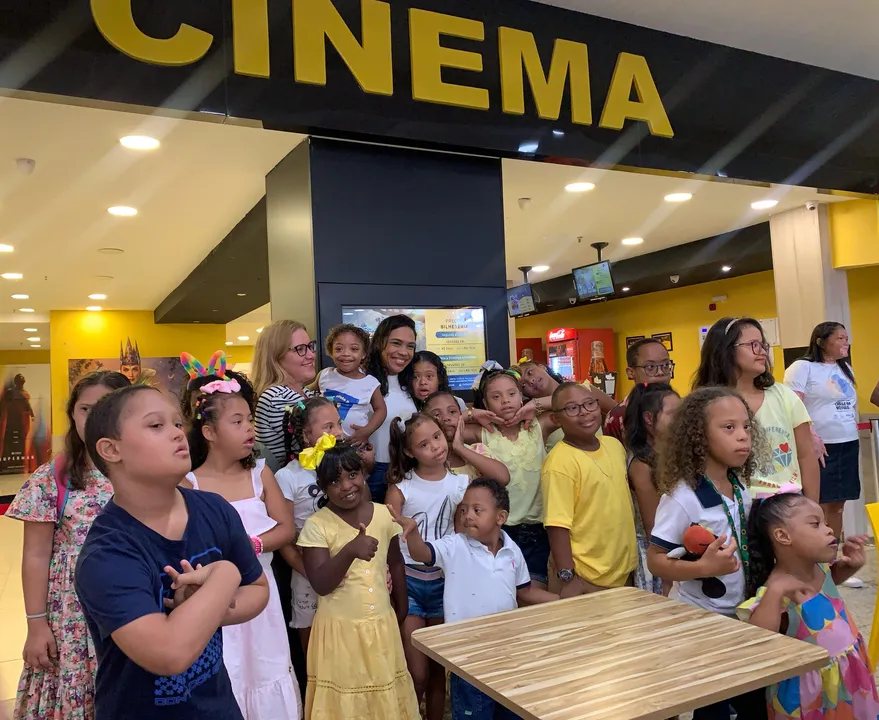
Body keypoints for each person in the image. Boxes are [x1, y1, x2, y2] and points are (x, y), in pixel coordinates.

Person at [75, 385, 270, 719]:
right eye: (156, 426)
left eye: (178, 424)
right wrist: (224, 575)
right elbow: (169, 654)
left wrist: (206, 608)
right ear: (110, 449)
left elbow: (258, 590)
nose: (178, 434)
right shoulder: (107, 553)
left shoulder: (214, 509)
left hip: (219, 707)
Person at [4, 370, 130, 720]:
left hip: (135, 602)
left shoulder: (147, 469)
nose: (93, 419)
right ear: (73, 414)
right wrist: (36, 624)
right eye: (85, 409)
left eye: (105, 408)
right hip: (72, 615)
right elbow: (35, 554)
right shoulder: (53, 477)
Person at [182, 370, 301, 719]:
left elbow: (286, 528)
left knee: (266, 662)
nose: (250, 428)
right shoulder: (190, 483)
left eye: (250, 419)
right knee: (229, 666)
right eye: (238, 421)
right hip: (216, 601)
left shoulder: (259, 473)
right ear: (209, 432)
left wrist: (253, 545)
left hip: (261, 591)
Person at [389, 479, 557, 720]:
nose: (468, 516)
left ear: (501, 517)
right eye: (465, 509)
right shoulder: (455, 546)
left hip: (507, 658)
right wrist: (413, 533)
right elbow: (422, 553)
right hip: (468, 661)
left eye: (477, 510)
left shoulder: (512, 550)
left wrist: (559, 600)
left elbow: (525, 591)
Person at [648, 386, 768, 720]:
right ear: (699, 436)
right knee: (713, 706)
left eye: (746, 426)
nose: (742, 437)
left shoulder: (740, 485)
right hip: (702, 619)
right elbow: (656, 560)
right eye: (729, 428)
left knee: (753, 701)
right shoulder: (683, 496)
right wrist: (704, 566)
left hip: (741, 614)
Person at [296, 436, 420, 720]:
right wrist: (350, 550)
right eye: (335, 481)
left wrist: (400, 608)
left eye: (352, 475)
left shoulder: (383, 515)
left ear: (364, 473)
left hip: (381, 627)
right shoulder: (317, 526)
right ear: (323, 486)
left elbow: (396, 563)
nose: (346, 486)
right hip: (339, 635)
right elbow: (321, 583)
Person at [738, 492, 876, 718]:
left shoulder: (819, 568)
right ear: (783, 536)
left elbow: (825, 592)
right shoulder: (777, 590)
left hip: (849, 678)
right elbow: (757, 640)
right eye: (815, 524)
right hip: (811, 697)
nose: (829, 529)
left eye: (826, 523)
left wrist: (850, 567)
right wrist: (775, 592)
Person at [386, 413, 469, 720]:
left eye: (437, 436)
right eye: (424, 444)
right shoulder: (401, 488)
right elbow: (388, 537)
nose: (436, 446)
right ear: (409, 452)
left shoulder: (462, 483)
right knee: (416, 672)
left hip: (445, 582)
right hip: (409, 582)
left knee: (438, 671)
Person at [694, 317, 819, 502]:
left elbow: (807, 456)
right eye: (753, 345)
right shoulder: (708, 403)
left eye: (763, 345)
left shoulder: (783, 395)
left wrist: (812, 507)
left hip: (789, 503)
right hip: (737, 504)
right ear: (725, 350)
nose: (762, 352)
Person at [464, 369, 558, 588]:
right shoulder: (482, 432)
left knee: (534, 595)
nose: (505, 401)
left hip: (537, 530)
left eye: (512, 394)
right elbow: (439, 425)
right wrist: (471, 414)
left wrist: (534, 406)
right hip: (499, 530)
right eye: (496, 397)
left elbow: (577, 398)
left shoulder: (538, 426)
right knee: (502, 594)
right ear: (486, 404)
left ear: (521, 397)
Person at [542, 382, 638, 596]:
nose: (584, 412)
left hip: (622, 572)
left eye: (589, 404)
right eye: (572, 408)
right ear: (557, 419)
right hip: (584, 577)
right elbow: (557, 526)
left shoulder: (614, 446)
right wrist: (568, 578)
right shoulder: (560, 462)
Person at [275, 397, 345, 652]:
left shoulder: (345, 467)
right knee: (314, 646)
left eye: (338, 424)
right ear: (306, 434)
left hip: (347, 570)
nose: (338, 432)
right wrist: (309, 571)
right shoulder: (287, 477)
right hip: (306, 571)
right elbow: (284, 537)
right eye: (328, 427)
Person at [783, 322, 859, 541]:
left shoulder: (845, 368)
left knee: (838, 505)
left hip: (847, 442)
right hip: (819, 447)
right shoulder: (802, 367)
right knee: (819, 505)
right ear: (822, 342)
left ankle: (833, 557)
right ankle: (818, 560)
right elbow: (793, 406)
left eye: (847, 338)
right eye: (840, 338)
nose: (846, 343)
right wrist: (811, 436)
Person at [623, 382, 681, 594]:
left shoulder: (674, 454)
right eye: (674, 414)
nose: (681, 420)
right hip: (658, 550)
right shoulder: (641, 465)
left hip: (679, 544)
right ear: (649, 419)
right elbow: (652, 525)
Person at [365, 315, 419, 503]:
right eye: (396, 343)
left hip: (408, 471)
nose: (404, 352)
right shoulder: (361, 379)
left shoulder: (412, 381)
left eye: (410, 346)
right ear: (380, 343)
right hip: (371, 474)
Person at [253, 320, 317, 471]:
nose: (311, 355)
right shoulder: (277, 397)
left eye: (310, 347)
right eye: (300, 349)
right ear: (276, 357)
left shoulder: (305, 392)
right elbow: (321, 447)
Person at [515, 361, 616, 450]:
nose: (531, 381)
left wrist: (535, 403)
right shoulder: (534, 416)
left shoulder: (585, 390)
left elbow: (619, 413)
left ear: (542, 367)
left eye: (530, 373)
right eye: (524, 385)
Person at [318, 323, 387, 445]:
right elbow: (304, 392)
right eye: (339, 349)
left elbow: (381, 409)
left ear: (364, 354)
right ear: (330, 351)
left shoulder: (370, 383)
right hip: (326, 445)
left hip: (356, 445)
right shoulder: (324, 375)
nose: (346, 354)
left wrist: (367, 431)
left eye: (354, 349)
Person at [423, 390, 511, 484]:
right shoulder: (426, 459)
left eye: (452, 411)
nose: (446, 418)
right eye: (437, 415)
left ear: (461, 417)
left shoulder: (477, 450)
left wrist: (460, 448)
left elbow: (503, 478)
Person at [604, 338, 674, 444]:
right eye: (650, 367)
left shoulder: (682, 408)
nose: (660, 372)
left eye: (665, 365)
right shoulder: (616, 417)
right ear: (631, 372)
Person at [400, 350, 466, 411]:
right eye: (415, 377)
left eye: (429, 376)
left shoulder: (455, 403)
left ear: (439, 379)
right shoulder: (404, 405)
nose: (422, 382)